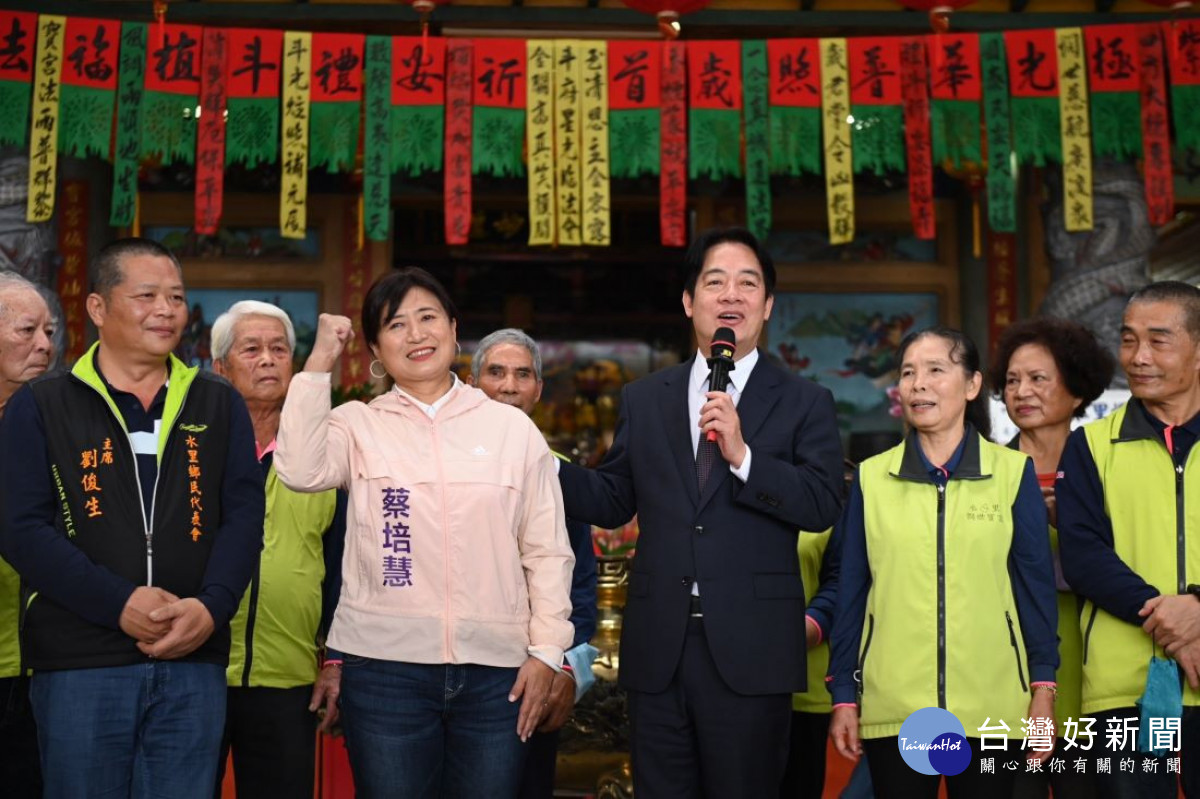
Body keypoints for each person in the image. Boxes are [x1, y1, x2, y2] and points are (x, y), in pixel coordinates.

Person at [557, 227, 845, 796]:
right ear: (690, 301)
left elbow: (820, 502)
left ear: (767, 305)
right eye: (715, 282)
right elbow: (614, 501)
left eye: (747, 283)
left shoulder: (805, 401)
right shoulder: (647, 397)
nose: (731, 295)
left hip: (752, 650)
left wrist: (743, 457)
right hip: (659, 647)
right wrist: (539, 462)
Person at [276, 267, 574, 798]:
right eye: (396, 325)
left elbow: (547, 549)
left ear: (454, 330)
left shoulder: (511, 430)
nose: (415, 334)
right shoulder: (358, 424)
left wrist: (547, 650)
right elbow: (299, 469)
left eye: (428, 317)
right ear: (375, 348)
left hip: (496, 675)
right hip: (386, 672)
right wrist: (320, 358)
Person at [0, 238, 265, 798]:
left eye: (175, 296)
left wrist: (211, 608)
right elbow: (20, 529)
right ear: (98, 308)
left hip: (193, 656)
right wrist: (116, 602)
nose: (166, 310)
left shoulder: (216, 402)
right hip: (80, 662)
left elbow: (243, 517)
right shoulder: (43, 404)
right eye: (147, 295)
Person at [828, 327, 1058, 799]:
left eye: (936, 370)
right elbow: (851, 592)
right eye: (908, 373)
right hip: (897, 705)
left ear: (972, 385)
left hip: (991, 706)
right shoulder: (872, 478)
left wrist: (1043, 691)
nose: (918, 384)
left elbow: (1034, 593)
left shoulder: (1012, 475)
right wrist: (844, 696)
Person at [1057, 281, 1200, 799]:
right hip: (1125, 690)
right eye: (1128, 340)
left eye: (1158, 340)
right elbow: (1084, 555)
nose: (1138, 358)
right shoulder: (1091, 445)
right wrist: (1176, 621)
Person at [209, 301, 345, 798]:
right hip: (198, 665)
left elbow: (343, 569)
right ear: (220, 368)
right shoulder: (196, 449)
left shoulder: (327, 453)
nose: (268, 359)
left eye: (279, 349)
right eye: (252, 349)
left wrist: (335, 661)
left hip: (289, 673)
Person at [468, 327, 599, 799]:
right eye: (496, 372)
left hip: (530, 678)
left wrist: (565, 667)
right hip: (450, 669)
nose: (509, 386)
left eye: (523, 375)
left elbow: (580, 586)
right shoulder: (440, 463)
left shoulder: (560, 472)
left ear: (539, 390)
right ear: (471, 381)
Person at [988, 317, 1114, 799]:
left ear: (1077, 390)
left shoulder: (1105, 470)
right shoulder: (989, 472)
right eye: (1013, 380)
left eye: (1039, 379)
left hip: (1093, 652)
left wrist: (1075, 526)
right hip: (1012, 657)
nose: (1022, 392)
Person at [0, 271, 55, 799]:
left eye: (50, 331)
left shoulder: (58, 421)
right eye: (26, 330)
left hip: (44, 662)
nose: (44, 344)